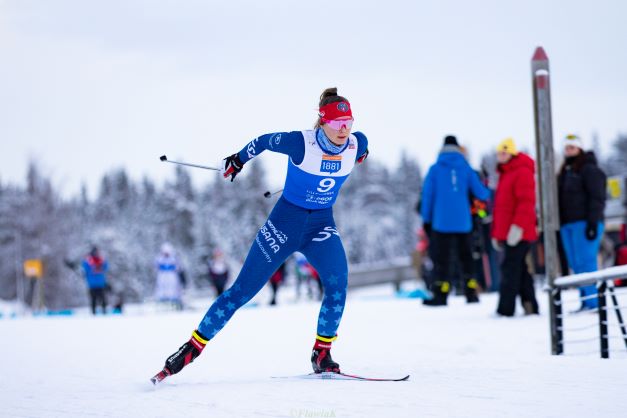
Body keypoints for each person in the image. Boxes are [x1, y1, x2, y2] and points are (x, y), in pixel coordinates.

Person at [153, 87, 369, 382]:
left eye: (349, 123)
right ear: (322, 122)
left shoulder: (358, 143)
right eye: (336, 123)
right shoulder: (299, 143)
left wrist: (358, 156)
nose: (344, 130)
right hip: (284, 224)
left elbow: (359, 153)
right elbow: (264, 141)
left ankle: (322, 353)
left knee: (338, 285)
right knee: (241, 291)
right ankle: (191, 348)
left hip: (321, 225)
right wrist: (238, 159)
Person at [420, 135, 490, 306]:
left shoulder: (435, 169)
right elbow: (482, 194)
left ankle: (441, 295)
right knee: (467, 258)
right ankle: (471, 292)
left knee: (441, 260)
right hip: (463, 223)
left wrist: (426, 220)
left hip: (440, 223)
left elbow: (427, 196)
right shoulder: (466, 168)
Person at [557, 134, 607, 311]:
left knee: (586, 262)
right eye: (567, 148)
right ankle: (585, 300)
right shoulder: (565, 172)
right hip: (568, 224)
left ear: (579, 148)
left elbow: (597, 197)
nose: (569, 151)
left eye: (572, 147)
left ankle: (594, 301)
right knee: (575, 263)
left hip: (585, 222)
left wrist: (593, 222)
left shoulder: (589, 170)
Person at [491, 138, 539, 316]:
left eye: (504, 152)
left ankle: (505, 309)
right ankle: (530, 305)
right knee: (520, 270)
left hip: (520, 232)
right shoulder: (506, 174)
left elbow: (526, 203)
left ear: (512, 153)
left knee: (509, 269)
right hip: (508, 232)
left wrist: (517, 227)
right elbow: (501, 208)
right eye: (499, 153)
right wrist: (497, 233)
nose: (501, 156)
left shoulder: (521, 172)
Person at [154, 243, 184, 310]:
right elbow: (156, 268)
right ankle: (163, 302)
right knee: (162, 288)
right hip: (162, 277)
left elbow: (178, 268)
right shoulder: (159, 259)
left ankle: (175, 302)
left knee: (172, 288)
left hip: (172, 276)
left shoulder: (174, 259)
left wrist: (171, 268)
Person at [81, 246, 109, 315]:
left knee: (103, 299)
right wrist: (93, 268)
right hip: (92, 284)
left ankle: (104, 312)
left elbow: (106, 267)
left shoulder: (101, 260)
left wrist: (101, 264)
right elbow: (85, 268)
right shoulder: (88, 261)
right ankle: (93, 313)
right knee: (93, 300)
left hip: (100, 284)